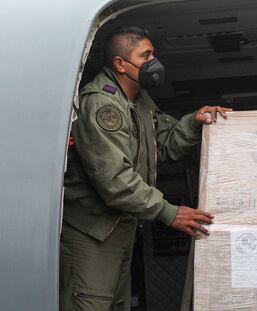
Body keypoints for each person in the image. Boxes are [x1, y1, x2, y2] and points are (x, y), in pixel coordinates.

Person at [60, 26, 232, 311]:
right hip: (91, 234)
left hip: (118, 229)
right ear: (120, 64)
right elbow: (115, 180)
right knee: (91, 303)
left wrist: (194, 122)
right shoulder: (103, 105)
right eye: (146, 55)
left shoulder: (141, 103)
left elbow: (163, 146)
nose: (155, 63)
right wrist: (168, 212)